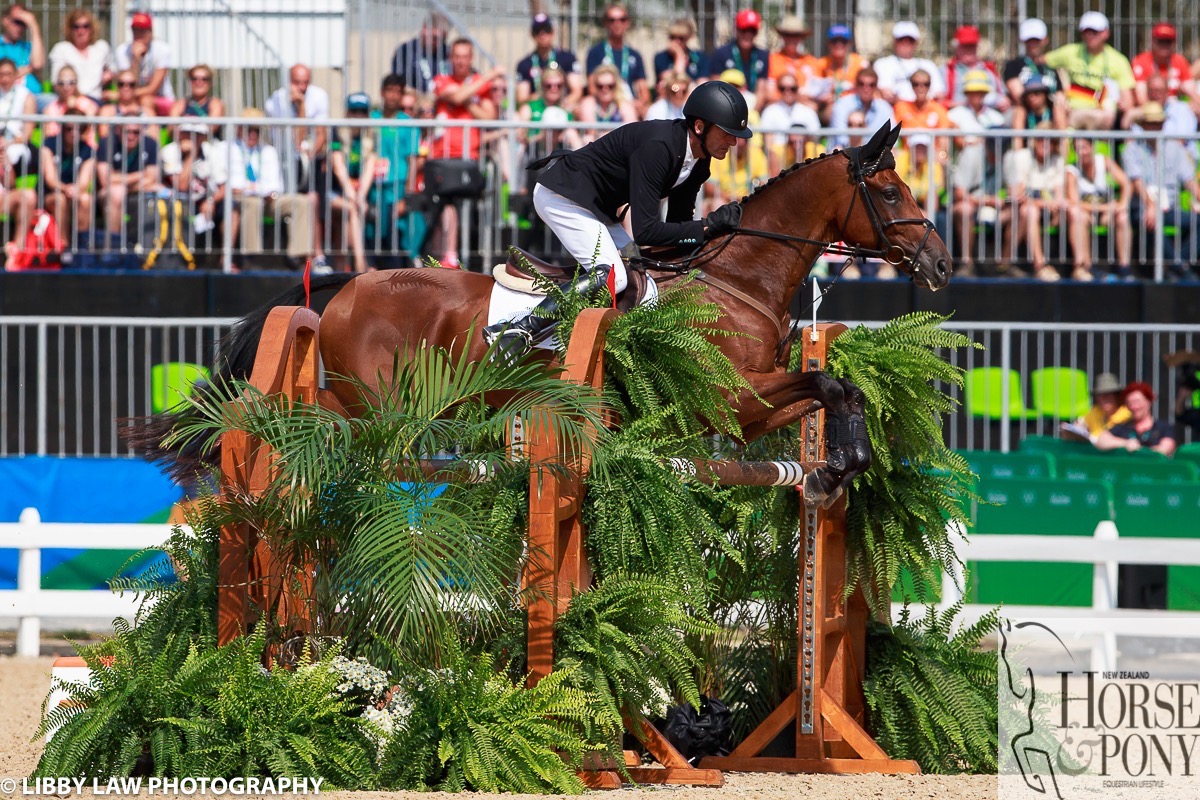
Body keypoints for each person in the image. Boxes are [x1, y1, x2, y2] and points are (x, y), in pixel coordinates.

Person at [481, 80, 749, 363]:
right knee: (615, 276)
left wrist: (707, 234)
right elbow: (646, 231)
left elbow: (677, 225)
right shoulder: (659, 147)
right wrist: (707, 226)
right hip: (563, 196)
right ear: (699, 127)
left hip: (598, 209)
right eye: (728, 133)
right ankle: (516, 332)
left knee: (642, 272)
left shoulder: (699, 163)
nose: (734, 141)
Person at [1121, 101, 1200, 279]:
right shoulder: (1132, 149)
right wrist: (1150, 205)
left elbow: (1190, 181)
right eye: (1150, 123)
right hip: (1144, 207)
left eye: (1158, 123)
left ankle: (1178, 266)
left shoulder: (1175, 148)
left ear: (1163, 125)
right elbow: (1137, 182)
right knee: (1151, 220)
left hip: (1170, 208)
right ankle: (1182, 270)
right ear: (1143, 125)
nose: (1154, 127)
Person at [265, 63, 329, 266]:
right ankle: (305, 254)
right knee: (302, 201)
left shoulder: (319, 96)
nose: (301, 87)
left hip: (307, 160)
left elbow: (320, 135)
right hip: (283, 162)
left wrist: (308, 156)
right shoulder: (276, 101)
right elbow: (295, 141)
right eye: (297, 82)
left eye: (305, 82)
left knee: (313, 199)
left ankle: (316, 254)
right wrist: (301, 108)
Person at [949, 70, 1009, 276]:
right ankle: (967, 264)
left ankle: (1005, 265)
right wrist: (988, 200)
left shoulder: (996, 118)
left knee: (1025, 210)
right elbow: (959, 193)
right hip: (971, 192)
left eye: (980, 91)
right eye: (972, 91)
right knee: (964, 208)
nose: (976, 95)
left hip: (993, 202)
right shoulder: (955, 116)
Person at [1044, 11, 1134, 131]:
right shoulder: (1071, 52)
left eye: (1095, 32)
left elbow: (1128, 98)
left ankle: (1101, 149)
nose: (1090, 35)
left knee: (1109, 114)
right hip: (1071, 109)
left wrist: (1123, 103)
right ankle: (1064, 147)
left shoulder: (1118, 60)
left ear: (1106, 33)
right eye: (1086, 31)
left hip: (1102, 112)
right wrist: (1058, 90)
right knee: (1058, 105)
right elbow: (1042, 62)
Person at [368, 73, 422, 268]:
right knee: (372, 232)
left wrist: (406, 195)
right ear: (382, 92)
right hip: (373, 187)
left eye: (396, 92)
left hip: (396, 186)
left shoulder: (408, 122)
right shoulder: (370, 118)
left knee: (396, 234)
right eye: (389, 90)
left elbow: (413, 160)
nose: (392, 96)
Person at [1006, 122, 1068, 281]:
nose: (1045, 144)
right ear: (1035, 141)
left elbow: (1059, 196)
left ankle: (1082, 268)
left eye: (1051, 141)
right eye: (1041, 139)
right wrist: (1046, 203)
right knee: (1029, 211)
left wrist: (1055, 205)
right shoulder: (1022, 157)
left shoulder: (1057, 160)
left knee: (1073, 211)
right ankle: (1039, 264)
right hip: (1020, 212)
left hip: (1049, 212)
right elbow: (1018, 196)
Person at [1066, 136, 1133, 281]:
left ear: (1092, 147)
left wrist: (1122, 204)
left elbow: (1126, 183)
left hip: (1106, 214)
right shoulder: (1072, 170)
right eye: (1078, 149)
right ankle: (1085, 266)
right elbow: (1074, 201)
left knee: (1123, 217)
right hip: (1088, 213)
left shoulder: (1104, 161)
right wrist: (1106, 207)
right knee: (1077, 215)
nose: (1082, 152)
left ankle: (1125, 267)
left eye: (1084, 147)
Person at [325, 93, 375, 273]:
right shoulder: (337, 133)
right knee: (353, 209)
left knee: (352, 213)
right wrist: (353, 195)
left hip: (353, 197)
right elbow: (338, 167)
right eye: (354, 111)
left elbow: (370, 168)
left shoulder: (370, 138)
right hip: (333, 194)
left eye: (362, 112)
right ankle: (361, 264)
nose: (358, 116)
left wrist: (360, 195)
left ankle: (341, 268)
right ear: (348, 113)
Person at [160, 122, 229, 249]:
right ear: (179, 134)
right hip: (178, 200)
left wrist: (210, 201)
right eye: (187, 133)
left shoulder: (213, 152)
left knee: (229, 207)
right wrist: (191, 155)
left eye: (197, 134)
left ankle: (226, 258)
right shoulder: (169, 151)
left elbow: (224, 188)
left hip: (205, 200)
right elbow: (181, 186)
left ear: (204, 137)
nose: (191, 137)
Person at [39, 108, 94, 243]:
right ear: (62, 129)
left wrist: (74, 190)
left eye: (78, 128)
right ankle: (63, 245)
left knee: (86, 199)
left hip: (73, 193)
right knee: (60, 199)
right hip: (50, 194)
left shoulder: (88, 150)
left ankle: (81, 246)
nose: (74, 133)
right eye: (69, 128)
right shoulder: (49, 144)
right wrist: (65, 188)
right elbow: (50, 179)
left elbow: (84, 183)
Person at [96, 119, 160, 236]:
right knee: (117, 192)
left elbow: (152, 178)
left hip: (137, 191)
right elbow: (105, 180)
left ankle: (150, 248)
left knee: (161, 189)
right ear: (118, 130)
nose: (131, 136)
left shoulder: (151, 144)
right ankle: (113, 245)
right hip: (109, 194)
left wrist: (119, 180)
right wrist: (140, 175)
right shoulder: (107, 142)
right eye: (127, 132)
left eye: (136, 132)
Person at [585, 4, 649, 116]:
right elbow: (592, 88)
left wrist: (640, 103)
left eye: (622, 19)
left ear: (627, 23)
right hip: (606, 105)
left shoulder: (635, 55)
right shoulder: (595, 52)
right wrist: (619, 102)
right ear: (606, 23)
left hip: (630, 106)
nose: (617, 23)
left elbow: (643, 90)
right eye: (612, 20)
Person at [515, 13, 583, 112]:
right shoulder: (524, 64)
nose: (542, 34)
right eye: (537, 31)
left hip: (563, 107)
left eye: (546, 29)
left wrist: (560, 105)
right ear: (532, 34)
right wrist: (544, 98)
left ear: (553, 32)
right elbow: (522, 99)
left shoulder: (568, 58)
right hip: (536, 110)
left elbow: (577, 91)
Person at [109, 12, 172, 116]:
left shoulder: (162, 50)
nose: (138, 34)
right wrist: (135, 61)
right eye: (135, 30)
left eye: (142, 30)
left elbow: (153, 89)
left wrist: (120, 94)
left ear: (150, 32)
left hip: (161, 98)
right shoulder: (122, 50)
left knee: (145, 100)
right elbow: (127, 83)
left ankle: (149, 131)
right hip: (131, 99)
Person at [1094, 381, 1177, 457]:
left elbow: (1165, 448)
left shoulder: (1163, 427)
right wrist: (1125, 443)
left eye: (1138, 401)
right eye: (1130, 403)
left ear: (1148, 402)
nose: (1134, 406)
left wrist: (1139, 450)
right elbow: (1101, 441)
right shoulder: (1123, 427)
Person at [759, 72, 820, 174]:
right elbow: (768, 144)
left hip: (805, 158)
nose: (788, 92)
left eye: (792, 88)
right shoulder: (769, 111)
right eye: (783, 88)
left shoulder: (808, 111)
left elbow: (814, 139)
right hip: (779, 159)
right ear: (778, 89)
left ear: (797, 89)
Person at [872, 21, 945, 104]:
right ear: (894, 41)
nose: (906, 43)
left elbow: (939, 94)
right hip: (896, 110)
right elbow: (886, 94)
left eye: (910, 40)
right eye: (901, 39)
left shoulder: (928, 65)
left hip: (925, 111)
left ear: (916, 43)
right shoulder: (883, 64)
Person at [708, 9, 768, 109]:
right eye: (744, 30)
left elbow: (761, 90)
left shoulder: (762, 55)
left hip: (753, 106)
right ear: (736, 29)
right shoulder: (721, 53)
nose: (748, 35)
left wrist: (753, 113)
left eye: (752, 31)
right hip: (727, 103)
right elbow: (716, 87)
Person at [47, 9, 109, 102]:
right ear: (69, 29)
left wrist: (108, 76)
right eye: (76, 27)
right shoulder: (61, 49)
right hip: (68, 99)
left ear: (92, 28)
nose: (81, 31)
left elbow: (113, 71)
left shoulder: (101, 48)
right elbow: (56, 82)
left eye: (86, 26)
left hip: (95, 99)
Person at [891, 69, 952, 160]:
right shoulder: (901, 108)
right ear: (911, 85)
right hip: (906, 157)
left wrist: (942, 155)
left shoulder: (939, 110)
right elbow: (891, 135)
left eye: (925, 84)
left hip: (932, 158)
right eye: (916, 84)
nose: (921, 88)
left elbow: (944, 143)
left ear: (929, 86)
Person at [943, 25, 1007, 111]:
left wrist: (1005, 102)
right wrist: (967, 104)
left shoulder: (989, 70)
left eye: (972, 45)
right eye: (965, 46)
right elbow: (939, 102)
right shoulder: (946, 70)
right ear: (956, 48)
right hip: (957, 115)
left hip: (990, 114)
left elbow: (1003, 95)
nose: (968, 49)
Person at [828, 67, 893, 149]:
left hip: (873, 154)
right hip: (845, 152)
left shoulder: (885, 108)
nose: (866, 88)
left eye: (871, 85)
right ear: (856, 85)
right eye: (861, 84)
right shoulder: (842, 105)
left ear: (876, 87)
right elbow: (841, 138)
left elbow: (890, 138)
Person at [1003, 17, 1062, 106]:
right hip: (1027, 112)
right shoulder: (1013, 65)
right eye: (1029, 40)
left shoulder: (1051, 67)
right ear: (1022, 40)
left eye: (1037, 40)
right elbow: (1018, 95)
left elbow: (1059, 94)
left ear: (1046, 40)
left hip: (1051, 112)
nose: (1033, 44)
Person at [1132, 22, 1193, 106]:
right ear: (1153, 41)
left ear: (1174, 43)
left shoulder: (1180, 61)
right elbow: (1142, 99)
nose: (1164, 45)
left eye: (1168, 41)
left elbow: (1191, 91)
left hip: (1176, 107)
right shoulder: (1140, 62)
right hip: (1150, 108)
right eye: (1160, 41)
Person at [766, 15, 818, 107]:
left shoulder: (811, 61)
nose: (792, 39)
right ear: (782, 36)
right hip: (780, 107)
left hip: (807, 108)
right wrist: (796, 98)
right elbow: (770, 95)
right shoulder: (772, 60)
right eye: (788, 35)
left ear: (802, 37)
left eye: (796, 35)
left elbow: (817, 91)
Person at [390, 15, 450, 95]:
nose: (437, 42)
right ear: (424, 29)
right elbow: (399, 83)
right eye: (434, 37)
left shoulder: (447, 52)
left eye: (441, 39)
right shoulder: (406, 50)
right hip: (416, 100)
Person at [42, 65, 99, 146]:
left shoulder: (89, 106)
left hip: (84, 150)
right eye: (62, 83)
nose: (66, 87)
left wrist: (72, 109)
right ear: (57, 85)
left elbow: (86, 134)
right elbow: (48, 137)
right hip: (59, 150)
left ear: (76, 83)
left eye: (71, 83)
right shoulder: (50, 109)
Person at [1063, 371, 1130, 440]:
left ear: (1116, 396)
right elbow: (1079, 424)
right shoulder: (1095, 411)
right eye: (1100, 394)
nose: (1104, 398)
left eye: (1108, 394)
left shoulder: (1127, 414)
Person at [815, 24, 865, 115]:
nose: (839, 44)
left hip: (855, 104)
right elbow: (815, 90)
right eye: (835, 41)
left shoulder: (860, 64)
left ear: (849, 44)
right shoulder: (822, 64)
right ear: (829, 43)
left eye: (843, 41)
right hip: (830, 106)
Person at [577, 64, 637, 140]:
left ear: (616, 85)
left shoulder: (624, 105)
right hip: (594, 146)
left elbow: (631, 131)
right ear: (595, 86)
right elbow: (591, 131)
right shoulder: (588, 103)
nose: (605, 89)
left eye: (610, 86)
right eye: (600, 86)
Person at [168, 63, 225, 137]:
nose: (199, 82)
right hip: (182, 143)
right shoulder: (180, 104)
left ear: (210, 83)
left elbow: (213, 128)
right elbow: (171, 129)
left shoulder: (215, 104)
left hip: (208, 144)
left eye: (204, 79)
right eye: (194, 79)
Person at [1011, 76, 1066, 151]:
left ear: (1044, 94)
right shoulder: (1022, 111)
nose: (1031, 97)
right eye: (1028, 94)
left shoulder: (1055, 110)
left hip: (1051, 154)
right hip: (1029, 154)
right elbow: (1017, 139)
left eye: (1036, 93)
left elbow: (1062, 138)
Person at [97, 69, 154, 140]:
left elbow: (153, 140)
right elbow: (104, 138)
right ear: (117, 86)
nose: (126, 88)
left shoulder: (148, 112)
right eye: (121, 84)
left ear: (137, 86)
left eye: (131, 84)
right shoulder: (107, 111)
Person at [0, 4, 42, 95]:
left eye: (23, 24)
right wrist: (29, 68)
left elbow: (37, 64)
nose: (19, 27)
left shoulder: (27, 46)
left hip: (34, 95)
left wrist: (33, 25)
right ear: (5, 20)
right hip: (6, 97)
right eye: (17, 22)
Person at [653, 19, 707, 85]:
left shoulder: (699, 57)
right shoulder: (661, 57)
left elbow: (703, 83)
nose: (677, 41)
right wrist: (679, 55)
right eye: (672, 37)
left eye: (681, 38)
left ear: (689, 37)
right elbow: (673, 83)